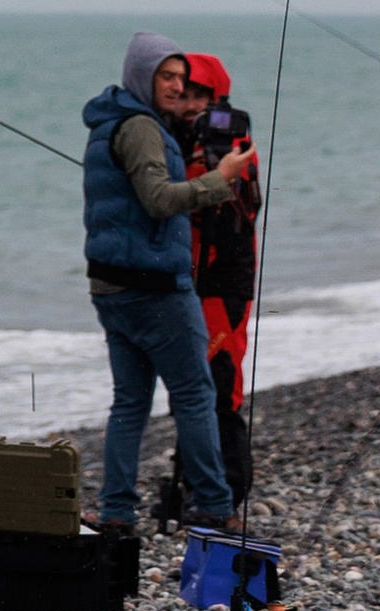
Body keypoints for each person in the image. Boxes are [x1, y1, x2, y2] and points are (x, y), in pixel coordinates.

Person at [83, 30, 259, 537]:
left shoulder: (108, 123)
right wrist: (220, 177)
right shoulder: (140, 128)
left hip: (111, 287)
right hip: (154, 287)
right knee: (195, 395)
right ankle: (213, 504)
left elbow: (137, 199)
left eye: (184, 79)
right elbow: (159, 200)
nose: (179, 89)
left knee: (131, 402)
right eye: (167, 76)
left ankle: (117, 512)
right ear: (143, 75)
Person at [170, 52, 257, 515]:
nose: (189, 103)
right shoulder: (178, 142)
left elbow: (225, 197)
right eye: (183, 92)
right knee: (189, 382)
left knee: (220, 381)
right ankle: (190, 485)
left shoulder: (235, 146)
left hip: (223, 282)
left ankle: (225, 492)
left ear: (216, 97)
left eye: (199, 94)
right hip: (188, 281)